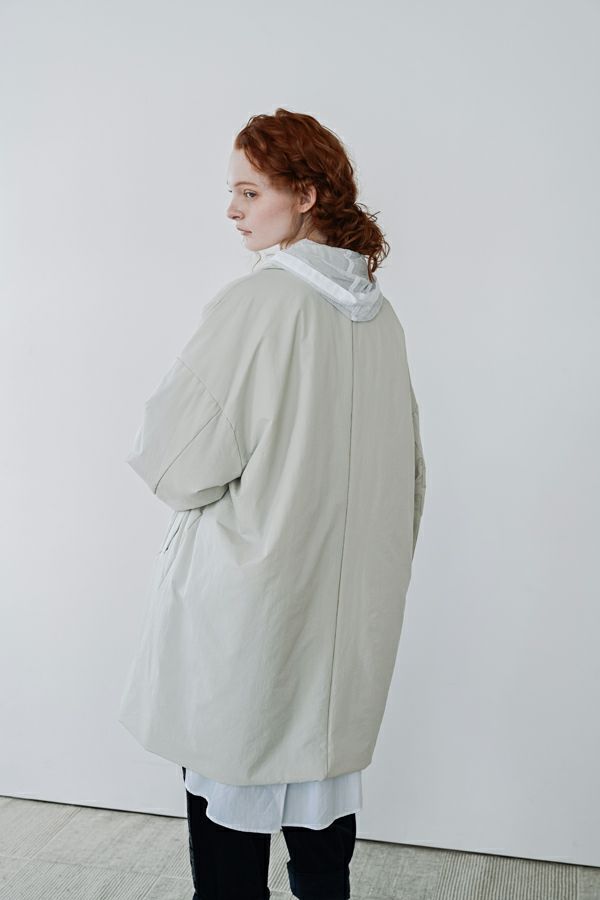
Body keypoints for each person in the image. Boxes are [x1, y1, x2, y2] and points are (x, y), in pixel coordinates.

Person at [118, 108, 426, 900]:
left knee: (231, 814)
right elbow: (410, 479)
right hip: (346, 620)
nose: (232, 209)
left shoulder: (259, 305)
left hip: (249, 618)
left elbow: (176, 462)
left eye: (250, 192)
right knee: (322, 821)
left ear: (307, 195)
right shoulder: (380, 318)